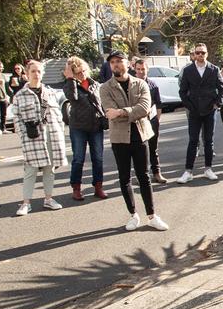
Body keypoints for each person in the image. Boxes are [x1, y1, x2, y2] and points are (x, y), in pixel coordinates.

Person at [101, 52, 167, 231]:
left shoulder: (141, 83)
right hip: (119, 138)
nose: (115, 65)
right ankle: (133, 215)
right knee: (124, 178)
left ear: (127, 64)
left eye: (119, 62)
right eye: (112, 62)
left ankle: (152, 216)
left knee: (144, 176)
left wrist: (121, 112)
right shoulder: (105, 88)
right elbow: (109, 112)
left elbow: (144, 108)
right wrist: (131, 111)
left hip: (140, 135)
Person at [10, 60, 66, 216]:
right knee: (30, 170)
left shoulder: (50, 92)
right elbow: (17, 119)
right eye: (33, 71)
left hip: (52, 135)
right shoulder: (20, 95)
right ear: (27, 74)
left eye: (39, 71)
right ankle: (26, 203)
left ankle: (48, 199)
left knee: (50, 169)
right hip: (32, 137)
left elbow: (58, 116)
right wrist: (23, 137)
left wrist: (60, 133)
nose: (36, 74)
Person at [59, 56, 108, 201]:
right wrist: (70, 79)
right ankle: (76, 188)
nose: (83, 74)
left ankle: (98, 187)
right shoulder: (69, 85)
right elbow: (72, 97)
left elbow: (102, 103)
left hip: (96, 126)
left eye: (84, 71)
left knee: (98, 158)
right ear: (72, 74)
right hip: (78, 127)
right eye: (78, 73)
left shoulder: (95, 84)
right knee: (78, 158)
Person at [177, 43, 223, 183]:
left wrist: (217, 103)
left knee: (208, 141)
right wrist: (189, 106)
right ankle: (188, 171)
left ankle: (208, 169)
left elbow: (222, 89)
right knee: (193, 140)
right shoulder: (188, 70)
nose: (200, 55)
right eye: (198, 53)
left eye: (203, 53)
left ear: (207, 54)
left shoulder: (214, 69)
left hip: (210, 110)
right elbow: (182, 91)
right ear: (194, 54)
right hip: (194, 110)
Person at [132, 57, 170, 181]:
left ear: (147, 70)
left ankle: (157, 173)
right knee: (139, 151)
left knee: (153, 148)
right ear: (134, 70)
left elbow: (158, 104)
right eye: (138, 69)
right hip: (137, 121)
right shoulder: (131, 85)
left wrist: (156, 121)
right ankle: (141, 176)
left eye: (143, 69)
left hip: (151, 120)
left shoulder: (153, 85)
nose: (141, 72)